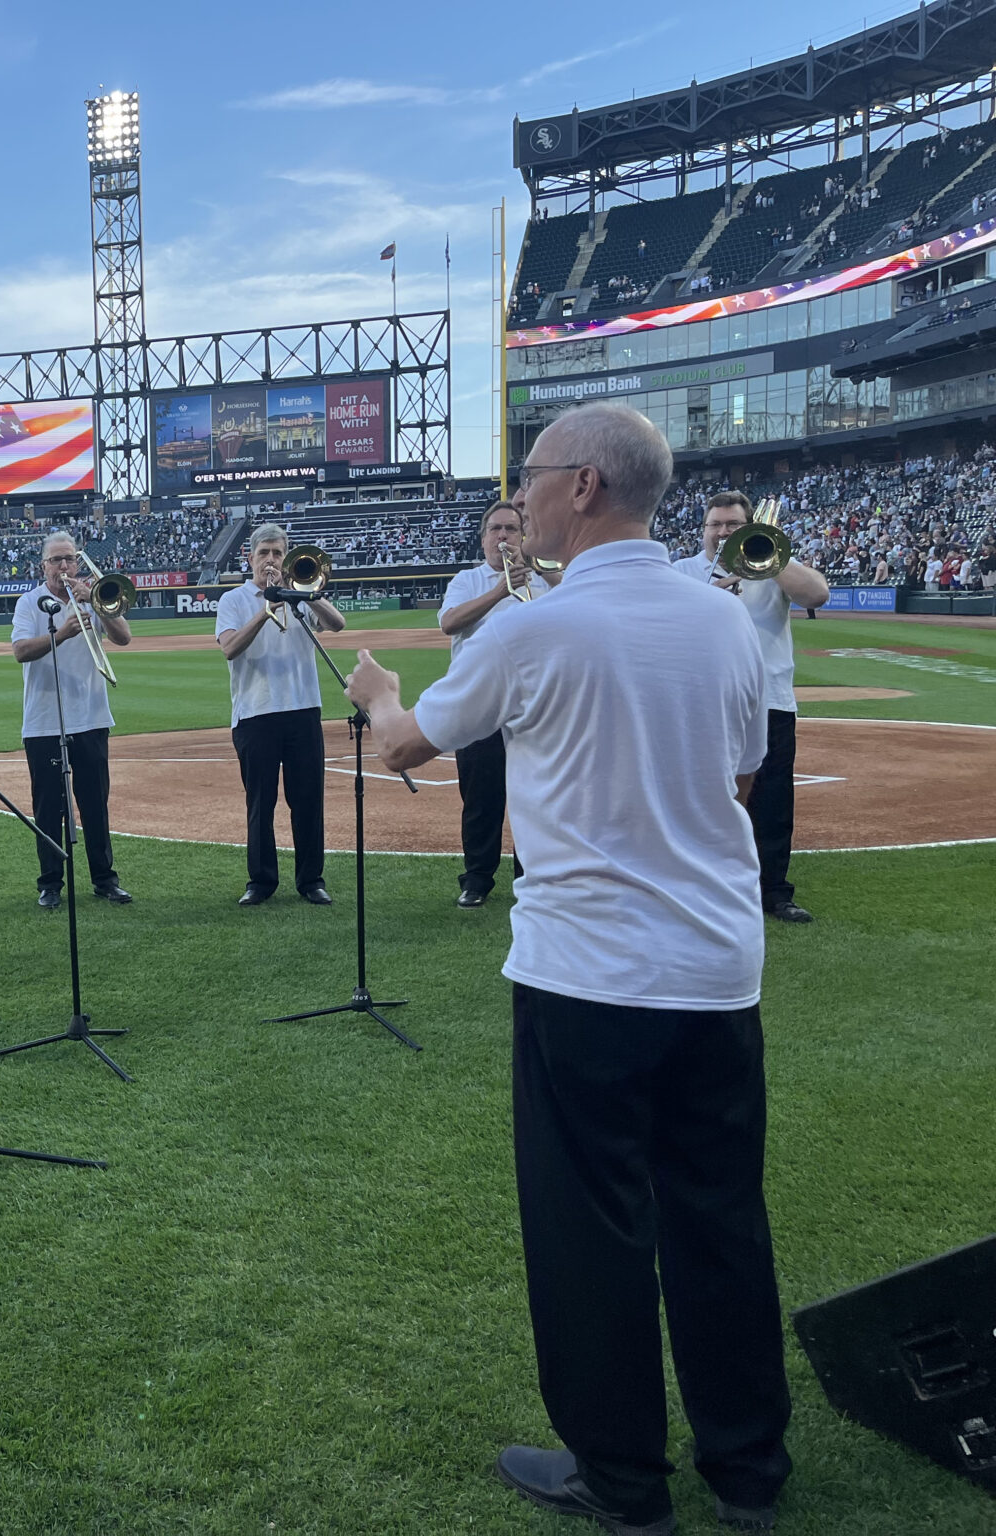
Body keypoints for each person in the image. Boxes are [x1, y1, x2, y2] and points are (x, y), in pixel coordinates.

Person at [344, 404, 791, 1536]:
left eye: (532, 476)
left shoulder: (532, 627)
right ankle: (747, 1468)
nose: (522, 498)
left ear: (582, 486)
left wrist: (374, 695)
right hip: (714, 970)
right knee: (719, 1218)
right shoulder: (723, 624)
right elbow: (738, 779)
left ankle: (622, 1479)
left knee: (589, 1227)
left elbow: (405, 749)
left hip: (588, 971)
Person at [676, 492, 832, 924]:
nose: (723, 532)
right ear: (703, 529)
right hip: (701, 704)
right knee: (700, 800)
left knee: (772, 801)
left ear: (748, 528)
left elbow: (817, 595)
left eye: (732, 525)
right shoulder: (681, 572)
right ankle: (702, 887)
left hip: (769, 702)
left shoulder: (773, 569)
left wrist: (770, 555)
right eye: (716, 525)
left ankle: (774, 892)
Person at [213, 522, 343, 906]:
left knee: (307, 801)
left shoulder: (301, 594)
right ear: (249, 558)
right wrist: (265, 609)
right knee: (260, 802)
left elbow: (337, 623)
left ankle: (310, 880)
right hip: (255, 714)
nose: (271, 560)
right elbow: (230, 648)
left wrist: (301, 592)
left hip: (303, 710)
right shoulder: (233, 600)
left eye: (278, 553)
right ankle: (261, 881)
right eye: (264, 553)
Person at [436, 500, 552, 909]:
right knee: (480, 799)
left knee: (533, 798)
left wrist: (543, 578)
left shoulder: (543, 581)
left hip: (533, 708)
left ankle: (531, 876)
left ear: (524, 537)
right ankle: (477, 878)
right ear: (483, 538)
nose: (503, 537)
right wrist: (501, 589)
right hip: (481, 706)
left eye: (511, 529)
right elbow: (450, 622)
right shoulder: (468, 579)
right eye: (495, 530)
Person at [10, 530, 132, 908]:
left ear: (77, 563)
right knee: (49, 807)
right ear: (43, 565)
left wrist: (96, 605)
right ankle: (50, 883)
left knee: (95, 803)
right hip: (45, 721)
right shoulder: (30, 603)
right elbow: (20, 651)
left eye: (69, 559)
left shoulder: (93, 597)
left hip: (92, 718)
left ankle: (104, 879)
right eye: (56, 560)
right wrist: (61, 634)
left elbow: (123, 637)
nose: (64, 566)